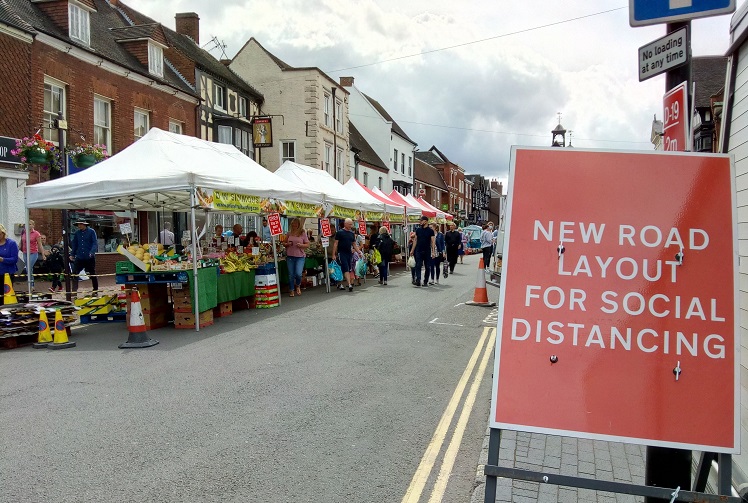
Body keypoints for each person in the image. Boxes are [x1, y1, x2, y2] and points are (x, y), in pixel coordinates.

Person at [70, 220, 98, 295]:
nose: (79, 226)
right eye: (78, 224)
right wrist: (72, 254)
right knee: (75, 273)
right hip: (79, 257)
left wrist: (92, 252)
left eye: (81, 224)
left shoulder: (91, 232)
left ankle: (95, 290)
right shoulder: (77, 233)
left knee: (92, 273)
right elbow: (75, 245)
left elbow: (94, 243)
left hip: (89, 257)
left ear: (85, 224)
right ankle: (74, 290)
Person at [331, 218, 360, 292]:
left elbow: (354, 244)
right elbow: (335, 243)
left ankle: (340, 283)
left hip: (349, 253)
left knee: (347, 268)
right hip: (341, 253)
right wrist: (333, 254)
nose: (351, 226)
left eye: (351, 224)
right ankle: (349, 284)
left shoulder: (351, 234)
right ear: (345, 224)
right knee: (346, 268)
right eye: (349, 224)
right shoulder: (340, 233)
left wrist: (359, 252)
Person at [285, 218, 309, 297]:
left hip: (300, 256)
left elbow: (307, 244)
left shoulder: (302, 233)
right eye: (293, 224)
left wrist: (301, 245)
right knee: (291, 274)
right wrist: (287, 244)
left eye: (296, 224)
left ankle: (298, 285)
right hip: (290, 256)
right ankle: (291, 290)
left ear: (298, 225)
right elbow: (284, 243)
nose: (294, 225)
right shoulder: (289, 233)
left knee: (298, 273)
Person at [20, 219, 46, 286]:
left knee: (28, 268)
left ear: (33, 225)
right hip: (25, 252)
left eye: (30, 224)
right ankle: (31, 284)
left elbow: (40, 245)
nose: (28, 226)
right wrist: (16, 250)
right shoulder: (23, 232)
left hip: (33, 253)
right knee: (29, 269)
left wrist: (43, 254)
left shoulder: (36, 234)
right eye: (27, 224)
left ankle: (31, 285)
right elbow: (21, 242)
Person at [410, 216, 435, 287]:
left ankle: (425, 281)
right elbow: (415, 240)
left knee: (427, 267)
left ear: (426, 221)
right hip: (418, 250)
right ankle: (418, 280)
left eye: (421, 220)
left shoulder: (430, 231)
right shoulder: (418, 230)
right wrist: (412, 250)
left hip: (427, 250)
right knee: (418, 265)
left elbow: (433, 241)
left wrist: (433, 252)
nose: (420, 222)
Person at [0, 224, 19, 304]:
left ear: (3, 233)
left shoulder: (11, 243)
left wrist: (2, 259)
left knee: (5, 293)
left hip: (7, 273)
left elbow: (15, 259)